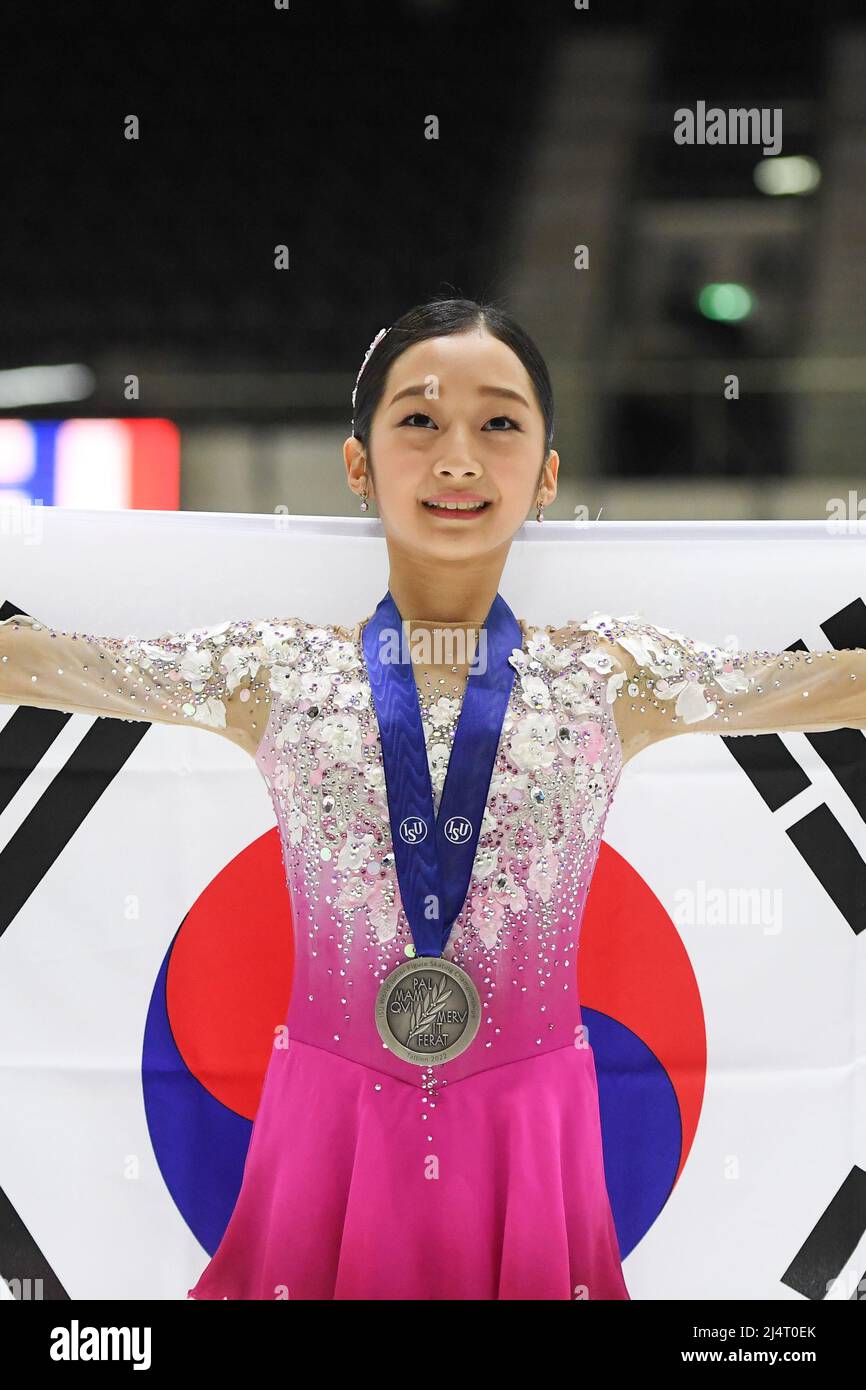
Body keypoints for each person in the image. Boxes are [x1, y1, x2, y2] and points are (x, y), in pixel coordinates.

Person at [1, 297, 865, 1301]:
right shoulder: (271, 674)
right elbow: (40, 663)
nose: (458, 457)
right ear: (358, 465)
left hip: (526, 1130)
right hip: (331, 1122)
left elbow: (834, 685)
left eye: (498, 422)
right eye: (418, 419)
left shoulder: (610, 678)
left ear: (545, 474)